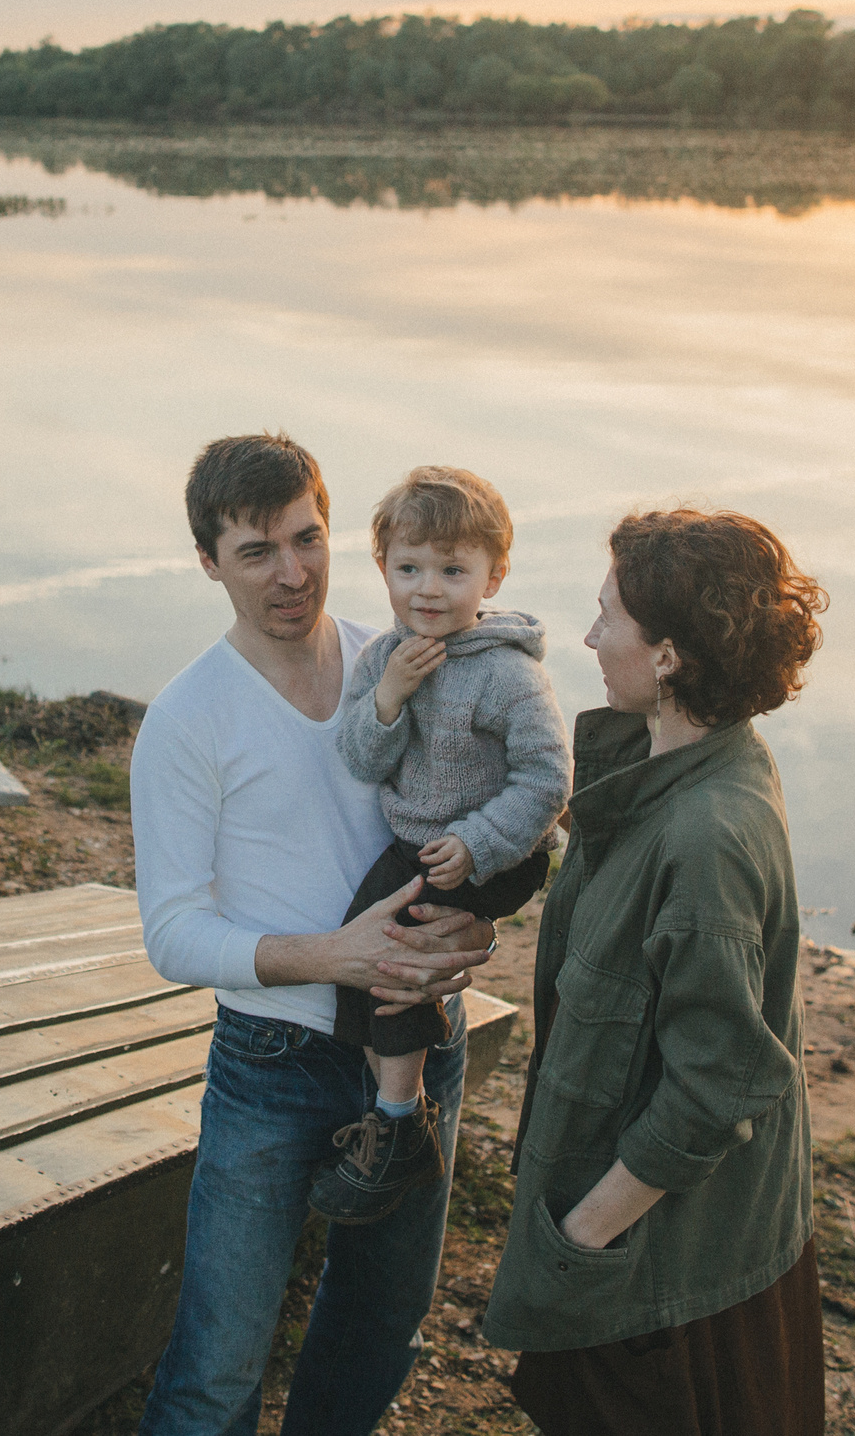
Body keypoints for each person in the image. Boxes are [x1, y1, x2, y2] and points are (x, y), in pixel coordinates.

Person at [132, 433, 499, 1436]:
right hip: (273, 1062)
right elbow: (172, 934)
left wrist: (474, 916)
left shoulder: (403, 664)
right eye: (256, 552)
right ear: (208, 561)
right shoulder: (188, 717)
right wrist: (331, 956)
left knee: (382, 1329)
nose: (291, 573)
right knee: (217, 1365)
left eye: (307, 539)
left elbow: (480, 811)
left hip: (421, 1043)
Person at [480, 509, 830, 1436]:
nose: (589, 637)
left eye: (609, 617)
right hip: (661, 1249)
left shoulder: (707, 836)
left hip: (672, 1278)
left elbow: (715, 1086)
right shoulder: (687, 760)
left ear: (669, 656)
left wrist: (583, 1234)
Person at [318, 466, 569, 1224]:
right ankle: (404, 1116)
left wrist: (478, 841)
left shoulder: (506, 671)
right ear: (383, 568)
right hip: (422, 845)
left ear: (493, 575)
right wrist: (389, 697)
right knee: (356, 955)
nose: (428, 589)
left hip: (498, 849)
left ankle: (397, 1126)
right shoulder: (382, 659)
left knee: (393, 955)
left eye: (453, 571)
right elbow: (361, 760)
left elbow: (548, 776)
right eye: (409, 569)